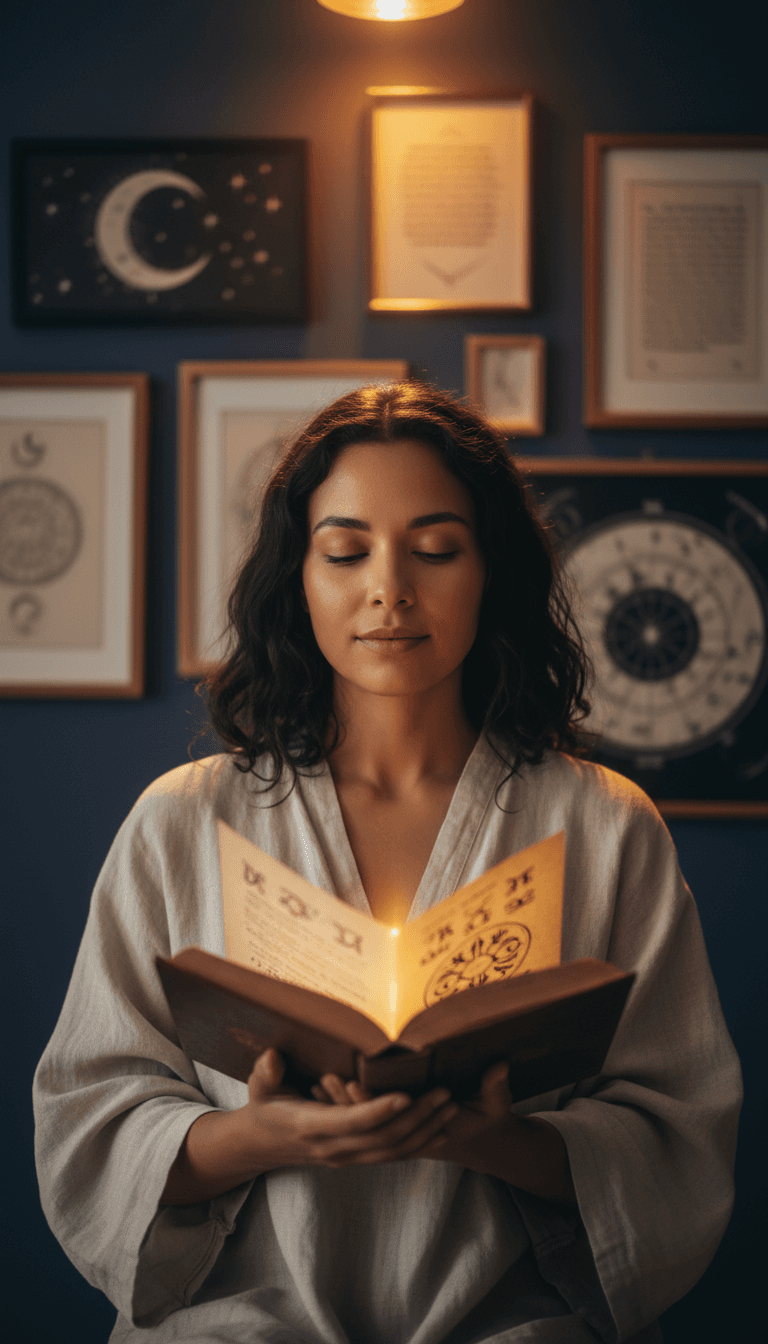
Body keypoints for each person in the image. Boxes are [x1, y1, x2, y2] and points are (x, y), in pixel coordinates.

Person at [34, 382, 741, 1343]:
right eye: (346, 551)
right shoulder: (183, 822)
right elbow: (89, 1116)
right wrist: (260, 1135)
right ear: (301, 576)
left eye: (437, 549)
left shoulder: (608, 826)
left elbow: (678, 1135)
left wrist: (495, 1140)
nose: (389, 589)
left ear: (490, 570)